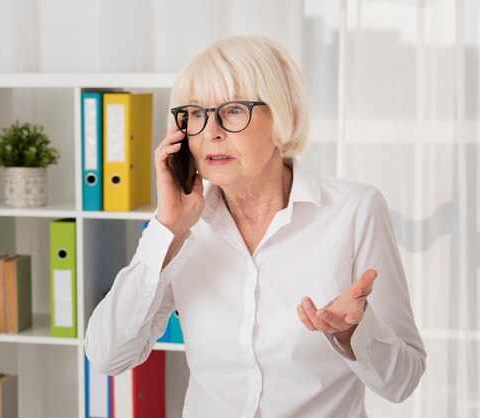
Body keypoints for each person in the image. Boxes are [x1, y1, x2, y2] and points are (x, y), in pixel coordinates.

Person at [85, 35, 426, 417]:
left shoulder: (354, 211)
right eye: (196, 114)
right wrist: (167, 231)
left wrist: (352, 336)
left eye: (232, 110)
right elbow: (106, 356)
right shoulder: (182, 225)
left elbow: (403, 382)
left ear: (285, 117)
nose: (210, 131)